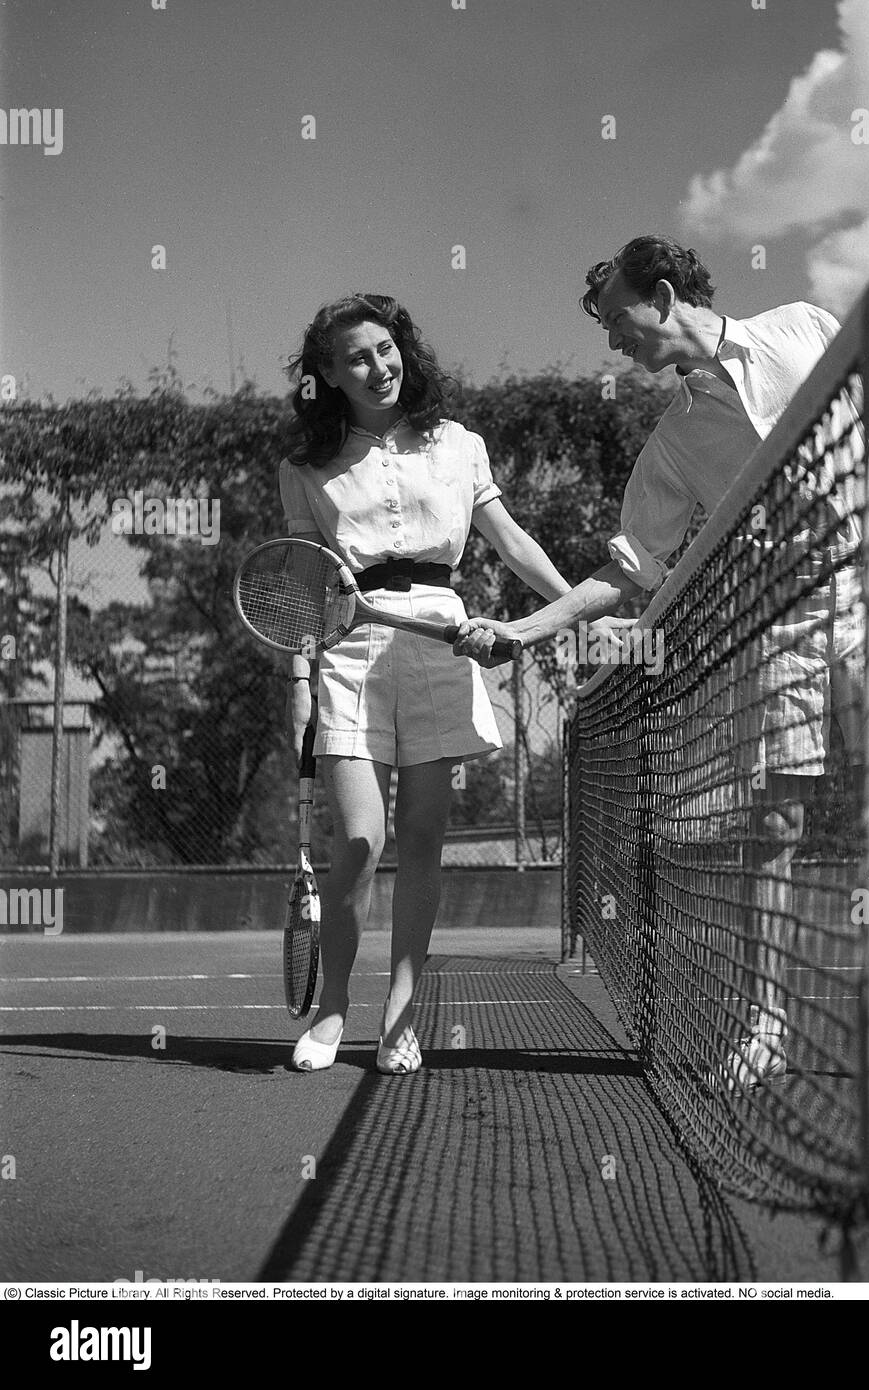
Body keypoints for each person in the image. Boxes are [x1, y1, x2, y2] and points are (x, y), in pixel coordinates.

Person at [453, 236, 869, 1090]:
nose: (613, 343)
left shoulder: (802, 330)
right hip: (778, 619)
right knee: (776, 828)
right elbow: (627, 569)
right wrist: (531, 630)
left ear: (666, 294)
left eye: (617, 320)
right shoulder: (673, 441)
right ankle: (765, 1028)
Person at [280, 293, 572, 1074]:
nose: (376, 367)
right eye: (353, 359)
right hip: (348, 652)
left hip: (444, 643)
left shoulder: (459, 444)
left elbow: (510, 542)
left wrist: (575, 608)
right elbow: (307, 585)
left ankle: (401, 1017)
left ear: (402, 349)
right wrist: (299, 679)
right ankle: (333, 1009)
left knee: (422, 842)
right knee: (362, 840)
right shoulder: (304, 469)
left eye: (384, 348)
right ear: (328, 376)